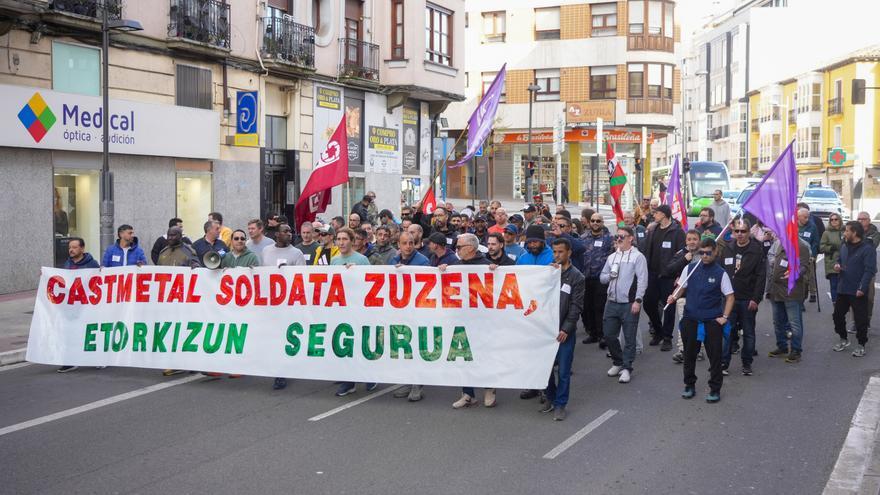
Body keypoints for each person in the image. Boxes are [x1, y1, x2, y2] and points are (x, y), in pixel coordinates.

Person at [667, 238, 735, 403]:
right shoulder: (690, 268)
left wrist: (724, 317)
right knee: (689, 356)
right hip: (690, 319)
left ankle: (715, 388)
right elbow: (681, 287)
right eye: (702, 253)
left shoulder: (720, 273)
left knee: (715, 358)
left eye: (708, 253)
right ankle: (689, 385)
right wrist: (674, 296)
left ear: (715, 252)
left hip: (712, 322)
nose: (704, 256)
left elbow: (730, 296)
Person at [449, 233, 499, 409]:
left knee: (484, 355)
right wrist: (442, 270)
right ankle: (467, 393)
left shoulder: (486, 266)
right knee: (463, 357)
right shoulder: (455, 267)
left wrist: (497, 272)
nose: (456, 250)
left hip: (483, 321)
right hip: (461, 319)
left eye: (459, 247)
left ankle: (489, 389)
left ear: (470, 248)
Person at [540, 237, 585, 421]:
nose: (557, 255)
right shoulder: (549, 273)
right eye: (554, 252)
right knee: (546, 368)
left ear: (569, 253)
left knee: (564, 371)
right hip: (546, 330)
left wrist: (566, 329)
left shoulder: (577, 277)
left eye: (560, 252)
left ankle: (561, 404)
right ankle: (550, 398)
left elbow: (576, 306)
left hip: (565, 331)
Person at [718, 219, 766, 376]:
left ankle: (747, 363)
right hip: (729, 299)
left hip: (747, 299)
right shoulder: (728, 248)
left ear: (749, 232)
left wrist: (756, 298)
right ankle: (723, 363)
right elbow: (721, 271)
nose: (739, 234)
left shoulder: (756, 251)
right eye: (737, 231)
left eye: (743, 231)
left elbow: (761, 277)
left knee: (748, 332)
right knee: (727, 332)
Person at [600, 227, 648, 384]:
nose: (619, 239)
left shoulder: (638, 257)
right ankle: (618, 362)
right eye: (617, 236)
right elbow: (602, 278)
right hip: (612, 302)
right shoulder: (612, 257)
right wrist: (610, 276)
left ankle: (627, 367)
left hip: (629, 303)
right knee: (609, 335)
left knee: (629, 337)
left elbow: (642, 280)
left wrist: (638, 300)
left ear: (630, 238)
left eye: (622, 236)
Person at [332, 228, 376, 397]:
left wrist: (356, 272)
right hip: (342, 309)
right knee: (346, 344)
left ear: (352, 241)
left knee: (360, 344)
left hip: (359, 309)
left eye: (345, 239)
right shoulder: (334, 261)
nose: (341, 242)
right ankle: (349, 382)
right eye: (339, 239)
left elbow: (371, 282)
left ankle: (369, 375)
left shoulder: (362, 260)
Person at [516, 224, 554, 401]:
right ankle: (532, 385)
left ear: (542, 241)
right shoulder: (523, 258)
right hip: (527, 311)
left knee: (544, 351)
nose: (532, 245)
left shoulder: (553, 256)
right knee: (529, 350)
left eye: (536, 242)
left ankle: (546, 387)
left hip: (546, 310)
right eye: (529, 242)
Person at [642, 204, 686, 351]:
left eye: (656, 213)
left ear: (664, 214)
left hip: (669, 275)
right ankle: (658, 330)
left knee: (668, 307)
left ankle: (667, 337)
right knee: (648, 303)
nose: (654, 215)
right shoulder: (652, 230)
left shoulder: (677, 232)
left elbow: (682, 255)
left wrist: (679, 275)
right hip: (652, 274)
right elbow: (647, 250)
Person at [156, 226, 199, 377]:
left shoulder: (188, 252)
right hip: (166, 300)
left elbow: (197, 269)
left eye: (174, 235)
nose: (170, 238)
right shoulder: (163, 252)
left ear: (180, 236)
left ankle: (190, 362)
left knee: (184, 331)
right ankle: (173, 362)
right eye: (169, 235)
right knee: (169, 330)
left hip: (183, 299)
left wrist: (195, 267)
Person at [831, 221, 878, 357]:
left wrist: (862, 288)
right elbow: (840, 259)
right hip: (843, 288)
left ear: (854, 233)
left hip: (857, 290)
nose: (844, 233)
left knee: (860, 320)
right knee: (837, 315)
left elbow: (870, 270)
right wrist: (837, 265)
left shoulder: (867, 249)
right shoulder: (844, 245)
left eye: (847, 231)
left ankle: (861, 344)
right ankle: (843, 339)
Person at [766, 236, 811, 363]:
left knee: (794, 323)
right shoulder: (780, 243)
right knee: (778, 321)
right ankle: (782, 346)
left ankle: (796, 350)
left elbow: (804, 266)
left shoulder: (801, 246)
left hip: (791, 292)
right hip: (776, 290)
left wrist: (795, 273)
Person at [667, 230, 702, 364]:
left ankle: (699, 350)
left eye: (695, 239)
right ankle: (682, 350)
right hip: (683, 295)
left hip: (699, 296)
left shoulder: (704, 254)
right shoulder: (681, 254)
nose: (692, 242)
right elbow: (669, 269)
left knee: (699, 324)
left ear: (699, 240)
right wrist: (684, 260)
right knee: (683, 324)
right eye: (689, 239)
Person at [581, 213, 614, 346]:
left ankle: (602, 335)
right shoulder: (583, 238)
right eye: (593, 220)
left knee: (599, 307)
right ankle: (593, 333)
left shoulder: (609, 238)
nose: (595, 223)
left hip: (601, 278)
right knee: (587, 306)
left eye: (598, 221)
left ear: (602, 222)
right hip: (586, 277)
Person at [857, 211, 880, 329]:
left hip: (869, 269)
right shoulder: (853, 230)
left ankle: (867, 319)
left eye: (863, 219)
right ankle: (856, 321)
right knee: (855, 296)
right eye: (859, 219)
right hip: (855, 269)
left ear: (869, 220)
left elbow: (871, 246)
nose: (861, 221)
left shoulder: (875, 233)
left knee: (869, 298)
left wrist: (857, 240)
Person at [820, 214, 844, 303]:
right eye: (831, 220)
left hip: (845, 261)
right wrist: (830, 248)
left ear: (840, 220)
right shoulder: (826, 233)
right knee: (834, 285)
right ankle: (835, 304)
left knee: (844, 285)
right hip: (832, 262)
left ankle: (844, 304)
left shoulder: (845, 231)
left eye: (836, 219)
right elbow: (821, 247)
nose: (833, 221)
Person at [797, 208, 820, 303]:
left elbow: (815, 242)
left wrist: (813, 255)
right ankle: (800, 296)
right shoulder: (793, 226)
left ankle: (812, 292)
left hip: (808, 255)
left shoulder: (812, 227)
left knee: (810, 275)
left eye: (808, 217)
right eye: (805, 217)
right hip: (796, 255)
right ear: (799, 217)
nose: (807, 219)